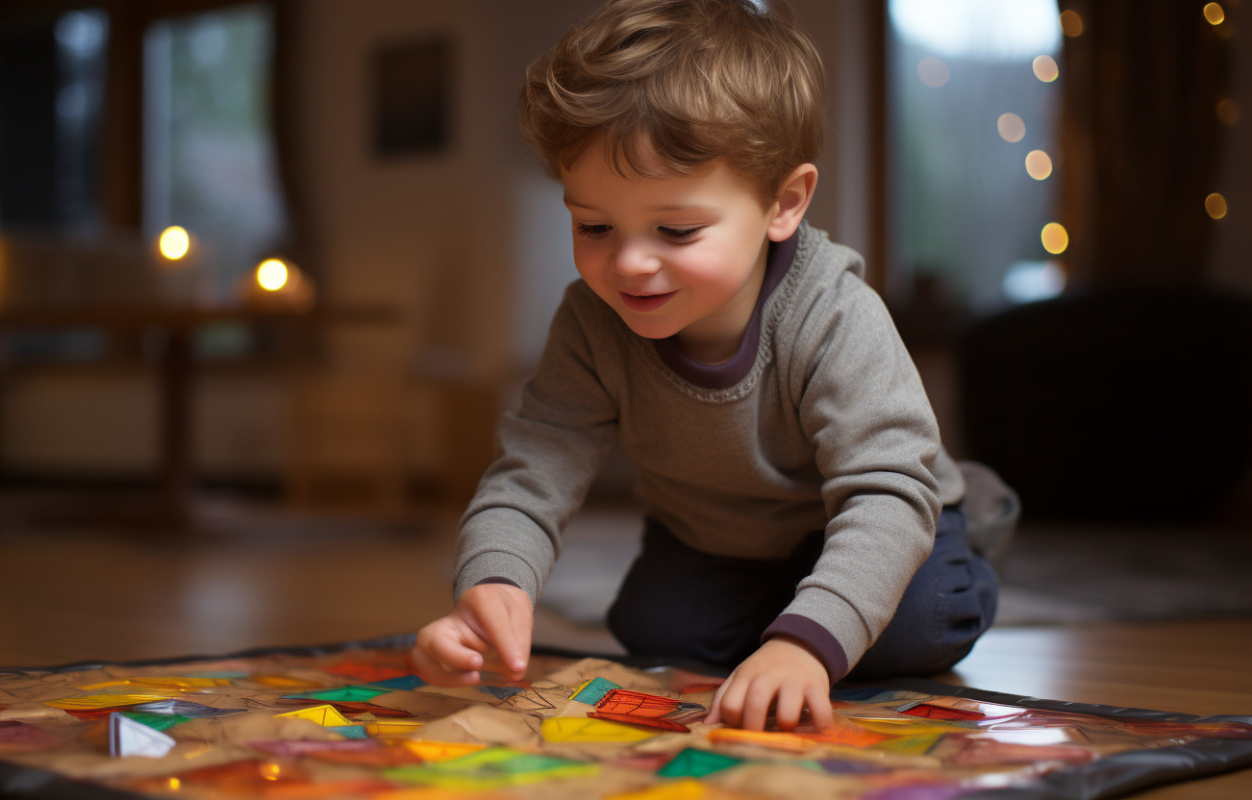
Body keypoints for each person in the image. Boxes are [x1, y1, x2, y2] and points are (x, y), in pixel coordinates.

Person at [412, 0, 1001, 732]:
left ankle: (969, 526)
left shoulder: (835, 315)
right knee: (656, 633)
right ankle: (786, 607)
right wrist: (494, 583)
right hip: (717, 540)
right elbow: (535, 464)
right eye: (593, 225)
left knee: (914, 629)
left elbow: (884, 491)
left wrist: (803, 646)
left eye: (677, 229)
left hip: (874, 515)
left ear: (783, 203)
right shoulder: (591, 324)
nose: (628, 262)